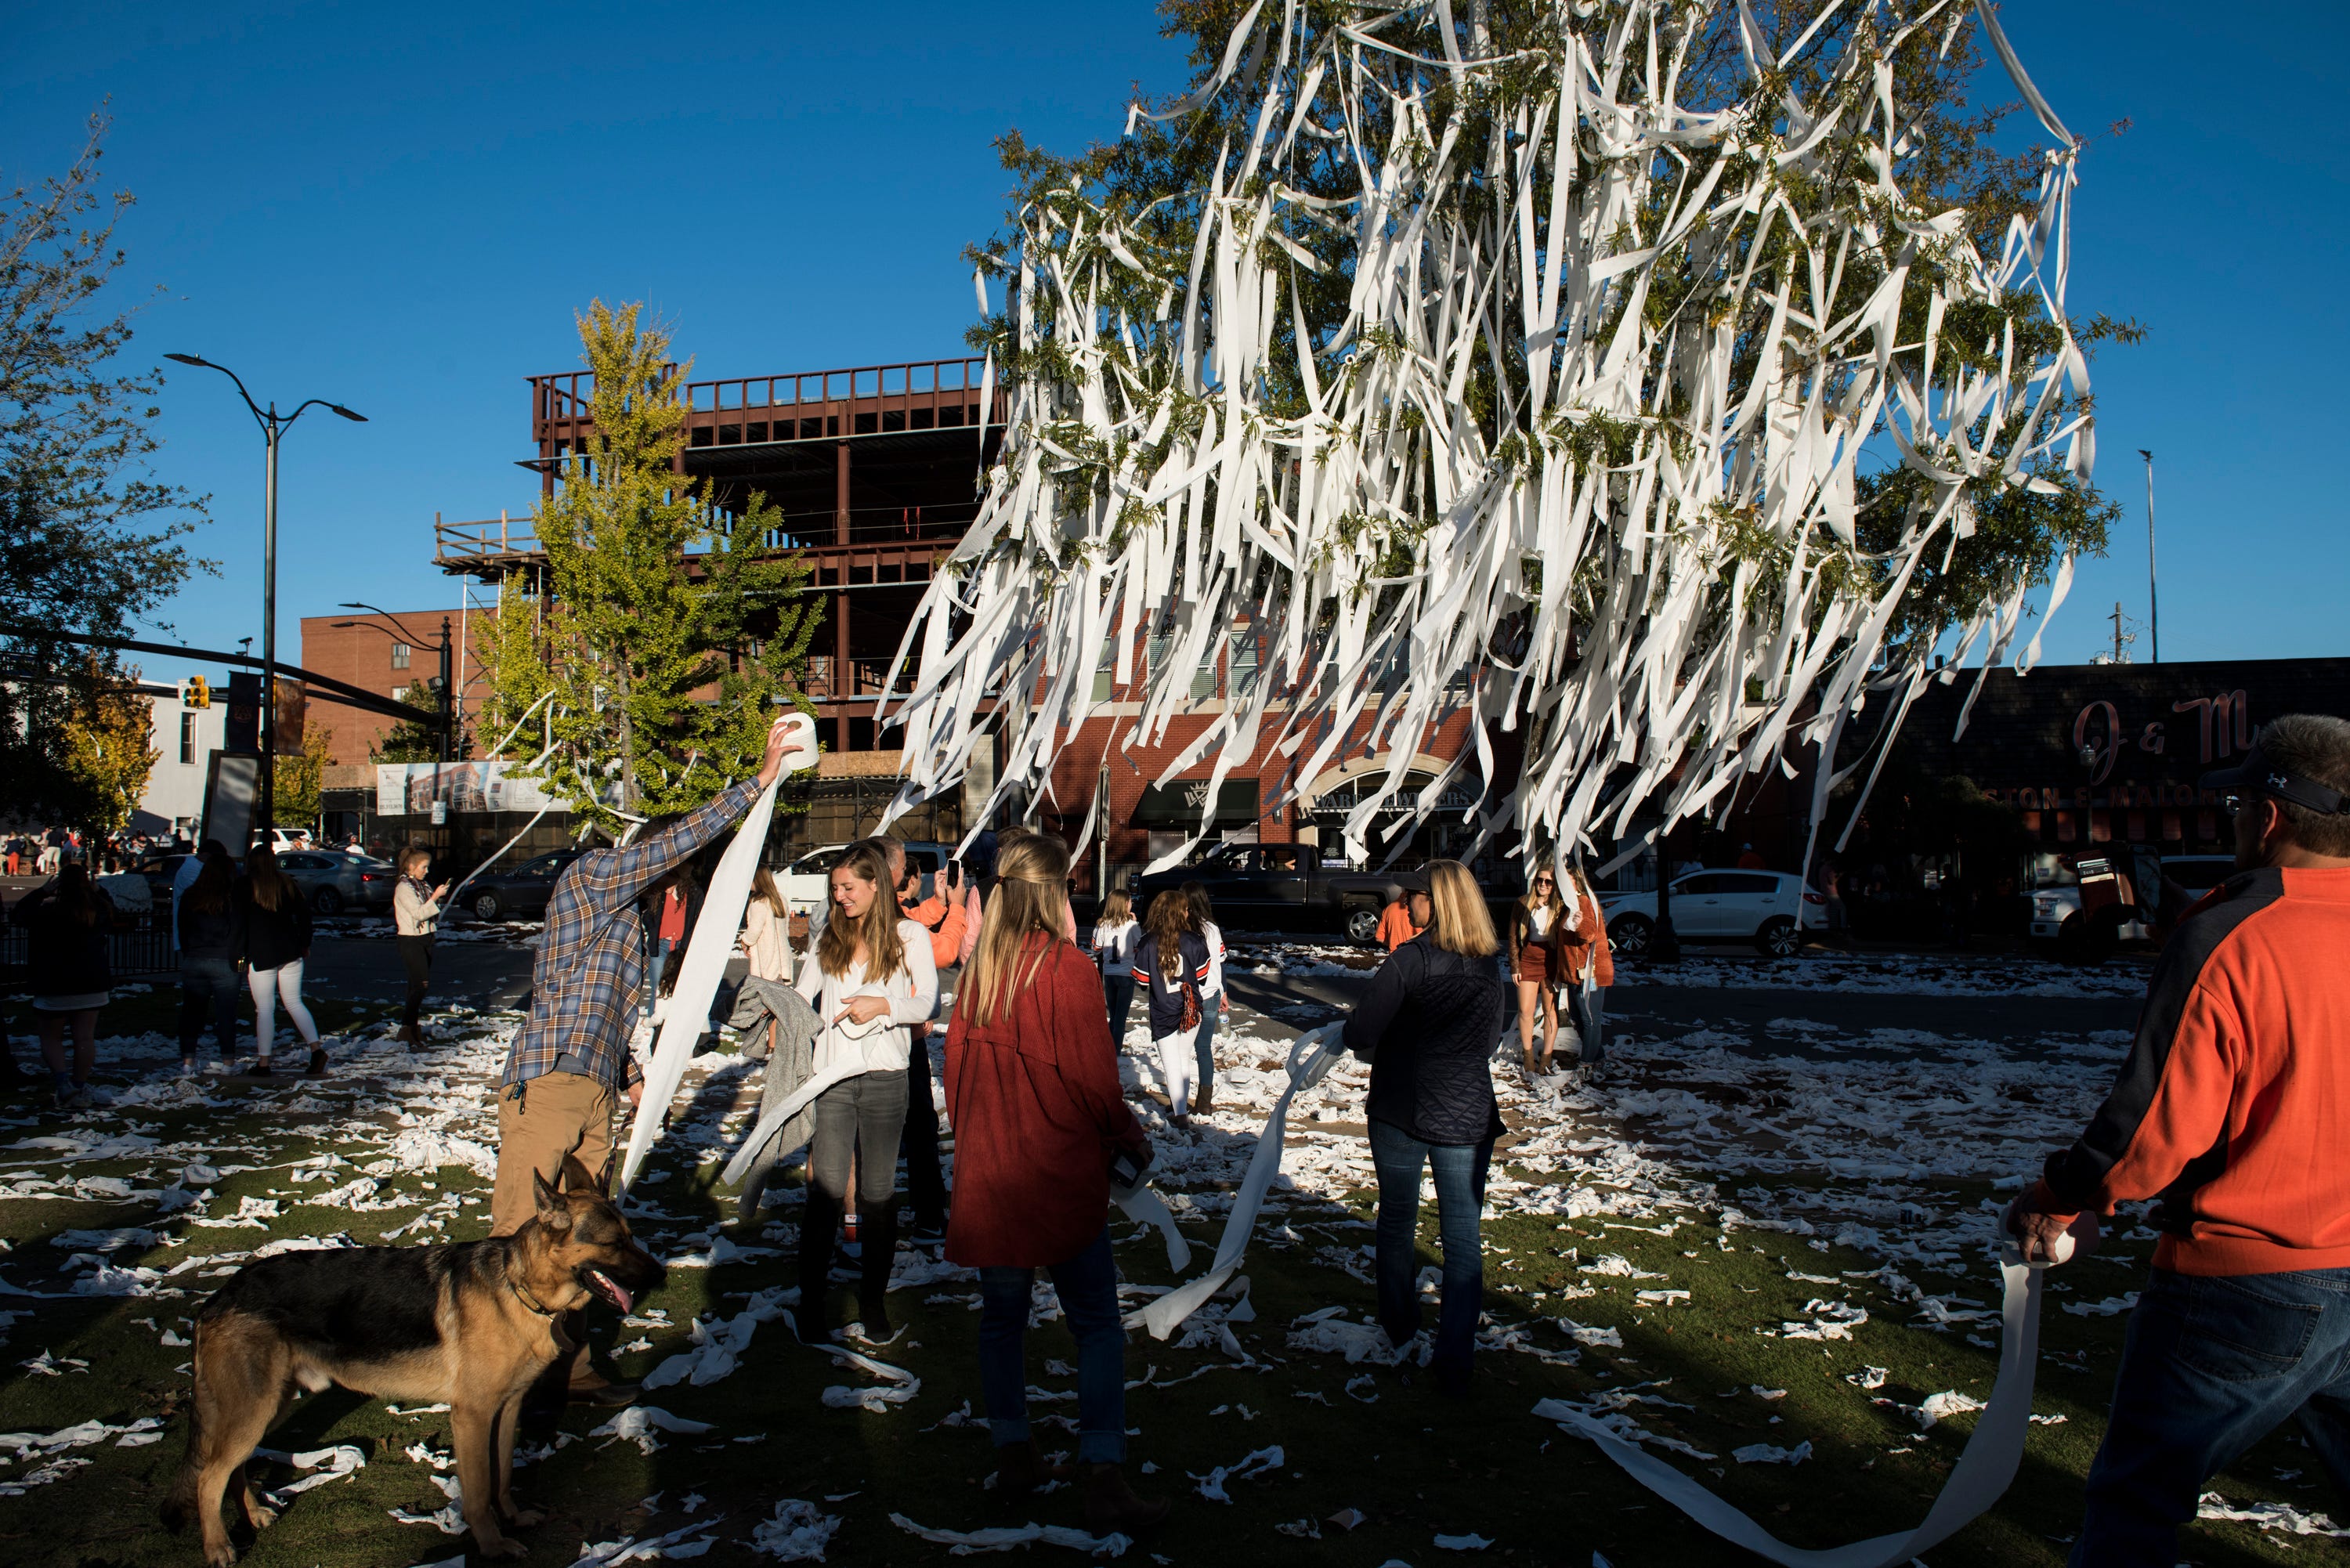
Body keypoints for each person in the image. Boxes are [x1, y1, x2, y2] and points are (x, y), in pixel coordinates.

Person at [2003, 715, 2350, 1567]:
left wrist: (2057, 1196)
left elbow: (2153, 1128)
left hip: (2245, 1284)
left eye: (2237, 801)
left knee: (2135, 1507)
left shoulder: (2232, 931)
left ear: (2268, 816)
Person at [492, 714, 801, 1405]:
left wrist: (633, 1081)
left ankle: (568, 1375)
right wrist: (754, 786)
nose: (675, 890)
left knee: (582, 1246)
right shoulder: (592, 878)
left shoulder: (628, 931)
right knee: (521, 1238)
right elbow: (666, 852)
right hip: (546, 1083)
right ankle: (503, 1381)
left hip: (594, 1090)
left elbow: (616, 1020)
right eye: (675, 873)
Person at [942, 829, 1167, 1534]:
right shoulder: (1066, 971)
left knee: (1002, 1325)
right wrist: (1130, 1142)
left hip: (993, 1171)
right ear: (1052, 892)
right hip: (1056, 1174)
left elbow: (956, 1083)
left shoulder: (979, 974)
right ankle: (1102, 1473)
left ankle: (1017, 1454)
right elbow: (1099, 1085)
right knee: (1097, 1324)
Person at [1343, 858, 1506, 1398]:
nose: (1405, 903)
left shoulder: (1409, 961)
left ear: (1433, 901)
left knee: (1396, 1222)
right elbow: (1488, 1044)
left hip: (1402, 1107)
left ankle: (1399, 1325)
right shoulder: (1488, 965)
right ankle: (1456, 1355)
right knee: (1463, 1237)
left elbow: (1361, 1030)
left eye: (1412, 895)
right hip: (1467, 1111)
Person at [791, 839, 938, 1342]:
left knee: (877, 1195)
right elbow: (800, 998)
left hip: (885, 1082)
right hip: (832, 1081)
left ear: (877, 886)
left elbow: (927, 1004)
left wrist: (884, 1006)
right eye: (835, 890)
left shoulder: (909, 936)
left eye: (848, 888)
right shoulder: (828, 938)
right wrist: (778, 1013)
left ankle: (873, 1303)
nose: (840, 898)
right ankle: (810, 1306)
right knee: (826, 1193)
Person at [13, 859, 118, 1107]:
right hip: (91, 982)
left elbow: (19, 914)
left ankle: (63, 1084)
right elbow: (113, 911)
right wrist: (99, 891)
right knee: (84, 1037)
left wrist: (42, 892)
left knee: (51, 1037)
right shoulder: (97, 913)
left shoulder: (47, 913)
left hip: (54, 981)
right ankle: (79, 1085)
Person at [235, 844, 324, 1078]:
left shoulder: (246, 885)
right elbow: (305, 914)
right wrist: (304, 943)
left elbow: (239, 922)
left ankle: (264, 1062)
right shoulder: (286, 882)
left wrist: (239, 952)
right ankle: (316, 1048)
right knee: (294, 1002)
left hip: (261, 952)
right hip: (290, 950)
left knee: (264, 1009)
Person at [1134, 890, 1212, 1125]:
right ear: (1181, 912)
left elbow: (1142, 981)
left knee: (1171, 1062)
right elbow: (1204, 976)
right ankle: (1181, 1110)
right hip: (1190, 1008)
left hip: (1162, 1009)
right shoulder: (1195, 940)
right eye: (1186, 909)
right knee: (1183, 1057)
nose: (1189, 912)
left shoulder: (1147, 941)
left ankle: (1179, 1113)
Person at [176, 844, 244, 1077]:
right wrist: (240, 960)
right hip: (225, 959)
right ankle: (227, 1061)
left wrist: (188, 952)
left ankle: (188, 1060)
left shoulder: (190, 896)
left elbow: (183, 929)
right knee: (226, 1014)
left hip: (195, 957)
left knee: (192, 1012)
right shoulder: (231, 898)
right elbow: (238, 931)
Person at [1508, 866, 1566, 1074]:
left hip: (1551, 958)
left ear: (1554, 886)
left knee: (1551, 1010)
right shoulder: (1523, 902)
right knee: (1525, 1010)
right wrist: (1515, 966)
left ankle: (1547, 1058)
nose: (1542, 884)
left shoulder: (1560, 906)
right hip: (1529, 957)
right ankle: (1528, 1056)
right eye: (1539, 880)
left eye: (1548, 882)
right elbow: (1514, 937)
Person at [392, 849, 448, 1050]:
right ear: (411, 867)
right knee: (420, 985)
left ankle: (412, 1028)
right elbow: (418, 913)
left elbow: (428, 909)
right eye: (423, 867)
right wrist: (435, 897)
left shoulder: (421, 885)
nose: (426, 871)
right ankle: (406, 1028)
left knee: (414, 985)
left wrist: (436, 897)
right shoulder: (404, 887)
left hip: (426, 937)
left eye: (427, 867)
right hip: (411, 939)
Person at [1559, 862, 1614, 1068]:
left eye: (1567, 880)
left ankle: (1587, 1064)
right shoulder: (1571, 904)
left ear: (1577, 882)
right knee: (1579, 1019)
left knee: (1589, 1020)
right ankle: (1598, 1059)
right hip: (1577, 973)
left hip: (1590, 972)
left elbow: (1589, 934)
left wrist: (1579, 923)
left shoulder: (1582, 902)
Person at [1182, 882, 1227, 1113]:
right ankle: (1204, 1102)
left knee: (1181, 1050)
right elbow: (1220, 962)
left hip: (1188, 995)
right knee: (1203, 1048)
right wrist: (1224, 990)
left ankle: (1179, 1100)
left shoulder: (1181, 929)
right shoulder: (1212, 928)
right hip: (1211, 993)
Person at [1090, 890, 1139, 1038]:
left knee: (1113, 1014)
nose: (1132, 904)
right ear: (1125, 904)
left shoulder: (1102, 925)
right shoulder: (1132, 925)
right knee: (1121, 1017)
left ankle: (1110, 1046)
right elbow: (1139, 948)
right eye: (1130, 901)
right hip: (1126, 973)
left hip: (1109, 973)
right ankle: (1115, 1051)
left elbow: (1096, 949)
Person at [1373, 886, 1423, 952]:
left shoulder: (1389, 908)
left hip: (1395, 955)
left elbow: (1379, 938)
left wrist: (1393, 942)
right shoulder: (1423, 909)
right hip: (1417, 954)